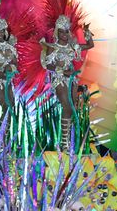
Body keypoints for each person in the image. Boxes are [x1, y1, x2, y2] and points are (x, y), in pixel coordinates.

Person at [39, 15, 94, 151]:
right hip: (59, 79)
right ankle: (64, 143)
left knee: (72, 108)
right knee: (67, 106)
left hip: (72, 80)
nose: (64, 34)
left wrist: (86, 32)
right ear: (57, 32)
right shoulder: (52, 47)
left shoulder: (72, 47)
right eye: (61, 31)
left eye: (66, 31)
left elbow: (90, 45)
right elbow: (47, 65)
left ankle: (67, 141)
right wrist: (62, 72)